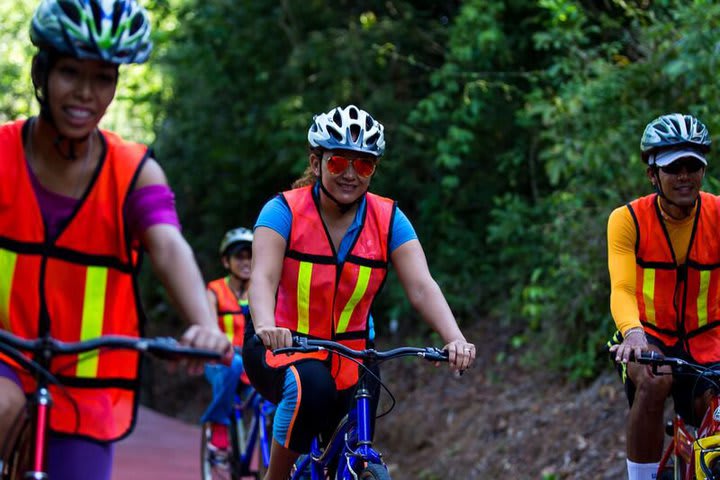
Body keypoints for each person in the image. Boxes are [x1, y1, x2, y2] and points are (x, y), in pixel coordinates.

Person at [0, 1, 230, 479]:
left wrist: (204, 322)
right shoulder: (2, 152)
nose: (85, 92)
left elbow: (168, 244)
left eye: (103, 77)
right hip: (5, 356)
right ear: (41, 73)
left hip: (87, 385)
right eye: (69, 72)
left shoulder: (134, 173)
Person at [243, 104, 476, 480]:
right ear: (316, 162)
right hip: (282, 348)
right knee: (312, 386)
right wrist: (268, 325)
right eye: (339, 163)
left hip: (354, 354)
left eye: (364, 165)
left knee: (361, 417)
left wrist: (454, 339)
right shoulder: (282, 211)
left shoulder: (389, 219)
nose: (350, 174)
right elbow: (263, 279)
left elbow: (421, 286)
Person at [608, 113, 719, 480]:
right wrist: (634, 334)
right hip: (648, 335)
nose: (684, 176)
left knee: (714, 406)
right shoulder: (627, 220)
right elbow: (622, 289)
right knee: (655, 379)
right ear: (653, 174)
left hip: (709, 340)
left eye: (692, 166)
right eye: (674, 168)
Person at [201, 227, 254, 452]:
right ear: (226, 261)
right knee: (234, 363)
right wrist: (221, 343)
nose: (246, 262)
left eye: (251, 256)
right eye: (239, 256)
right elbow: (210, 326)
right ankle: (219, 423)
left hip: (253, 362)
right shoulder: (214, 290)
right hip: (221, 360)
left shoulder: (263, 289)